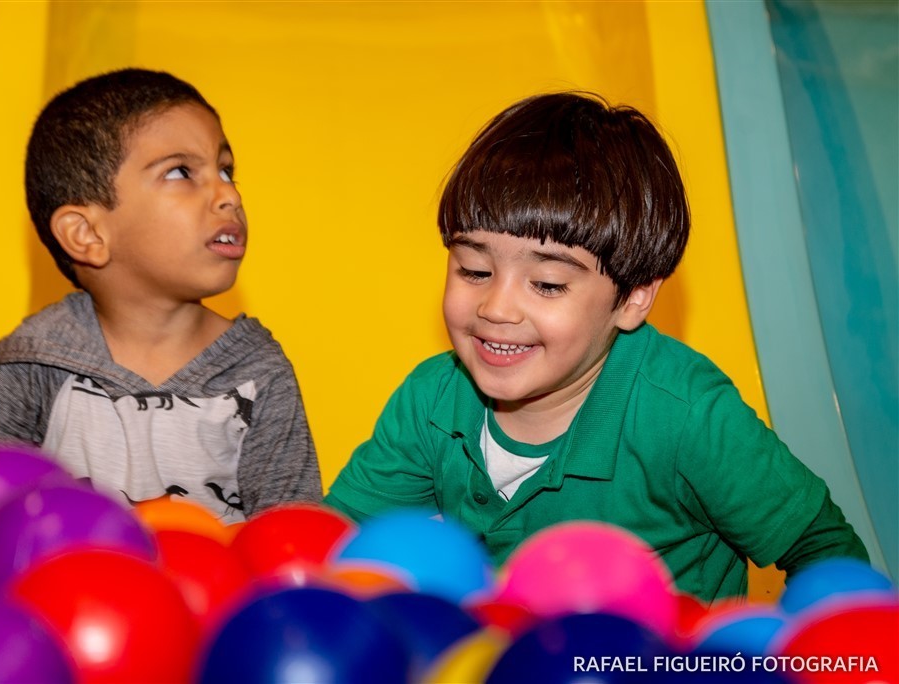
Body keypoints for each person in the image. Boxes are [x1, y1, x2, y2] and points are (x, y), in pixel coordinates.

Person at [324, 92, 867, 602]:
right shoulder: (432, 405)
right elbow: (332, 541)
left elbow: (825, 551)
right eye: (474, 269)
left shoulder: (685, 417)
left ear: (632, 298)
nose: (496, 307)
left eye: (548, 284)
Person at [0, 68, 322, 523]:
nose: (228, 194)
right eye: (180, 172)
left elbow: (290, 538)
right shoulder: (35, 362)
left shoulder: (257, 372)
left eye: (226, 170)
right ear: (87, 234)